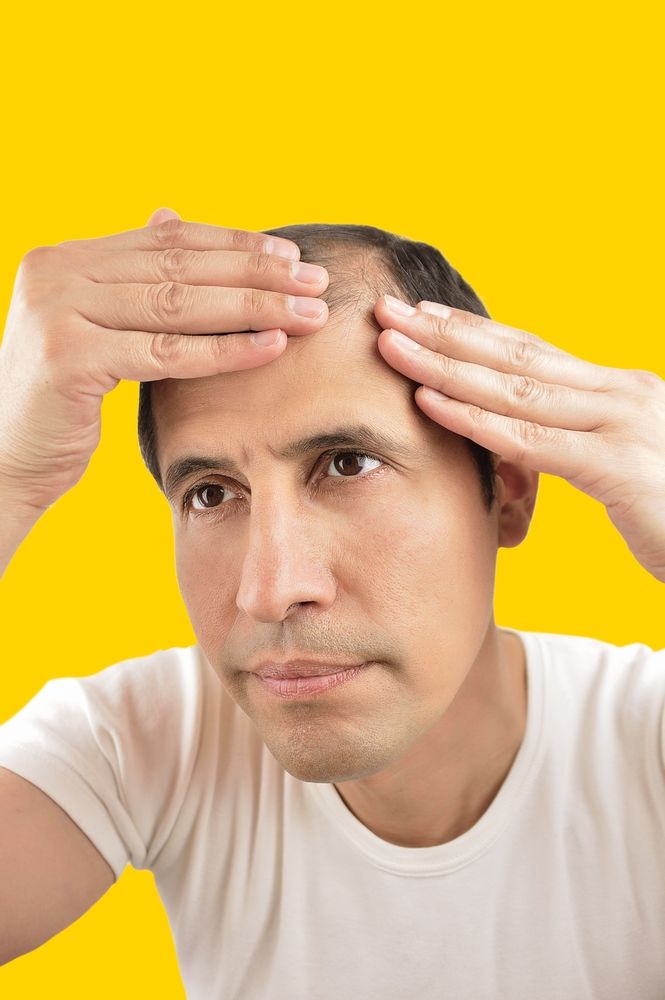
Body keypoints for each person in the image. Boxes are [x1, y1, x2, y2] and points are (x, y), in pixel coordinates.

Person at [1, 208, 664, 999]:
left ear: (507, 492)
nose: (271, 588)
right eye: (212, 492)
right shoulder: (149, 741)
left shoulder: (643, 741)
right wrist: (8, 476)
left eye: (346, 464)